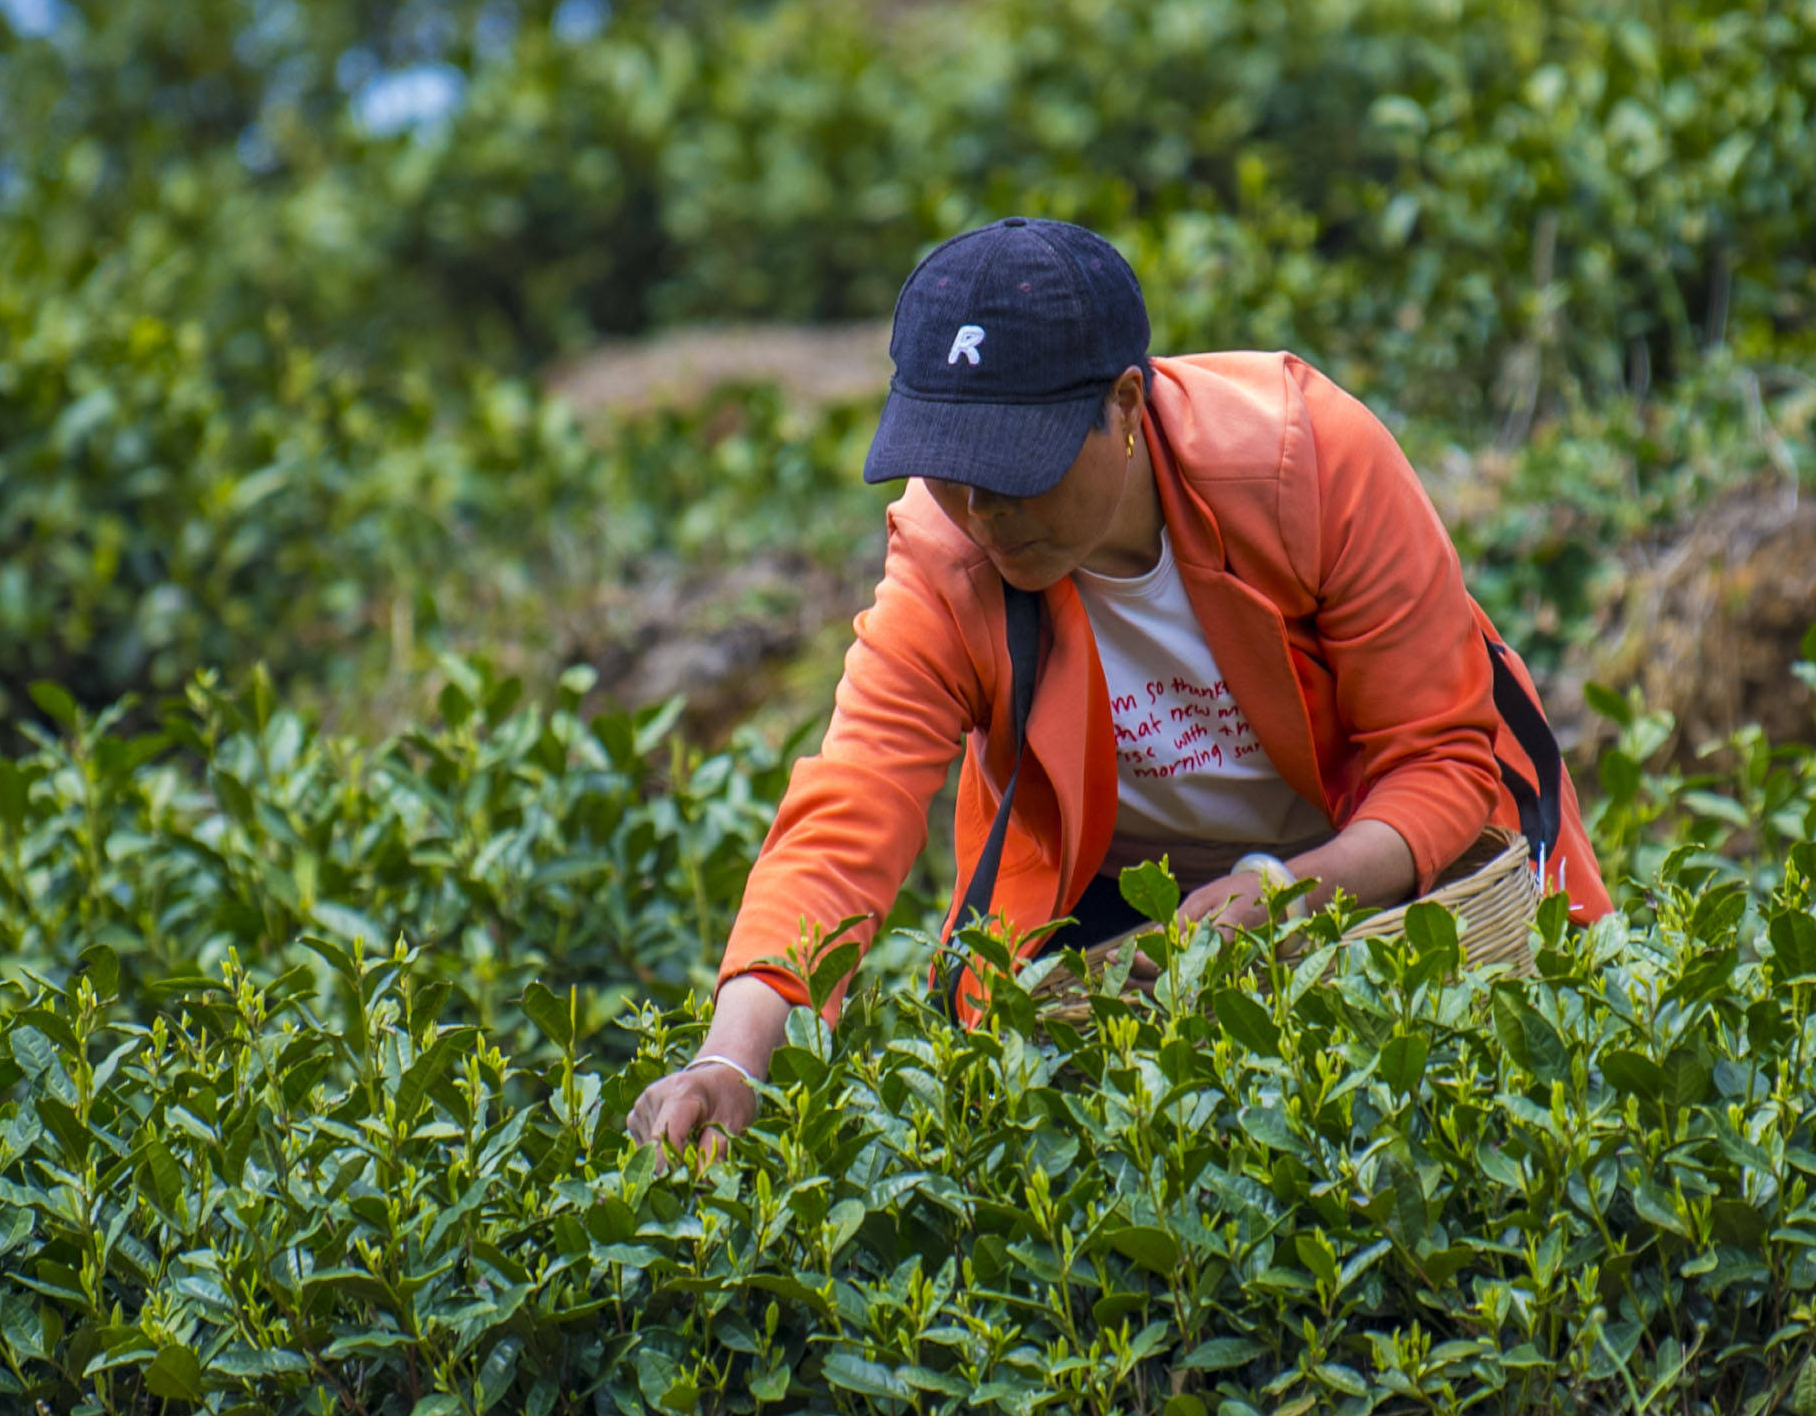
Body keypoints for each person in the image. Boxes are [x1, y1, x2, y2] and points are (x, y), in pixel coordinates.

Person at [626, 217, 1607, 1149]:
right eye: (951, 468)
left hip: (1385, 855)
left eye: (1017, 469)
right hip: (1138, 906)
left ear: (1127, 406)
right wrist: (731, 1057)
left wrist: (1291, 890)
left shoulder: (1304, 460)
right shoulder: (943, 556)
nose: (983, 511)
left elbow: (1438, 759)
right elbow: (851, 809)